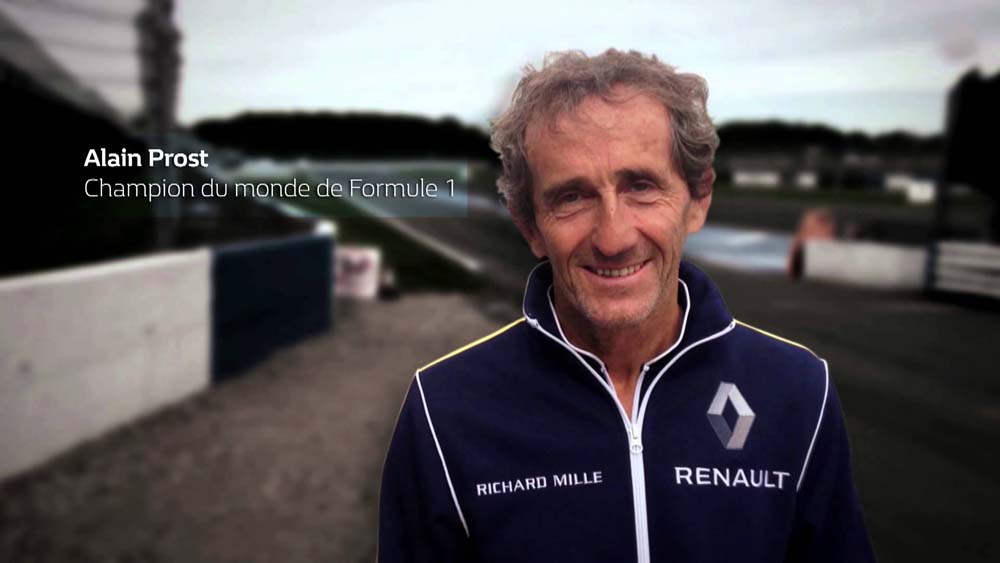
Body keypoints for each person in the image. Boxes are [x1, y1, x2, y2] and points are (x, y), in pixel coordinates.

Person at [378, 49, 875, 563]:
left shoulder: (798, 390)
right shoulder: (443, 409)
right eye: (572, 197)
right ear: (530, 226)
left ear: (698, 199)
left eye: (641, 187)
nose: (613, 238)